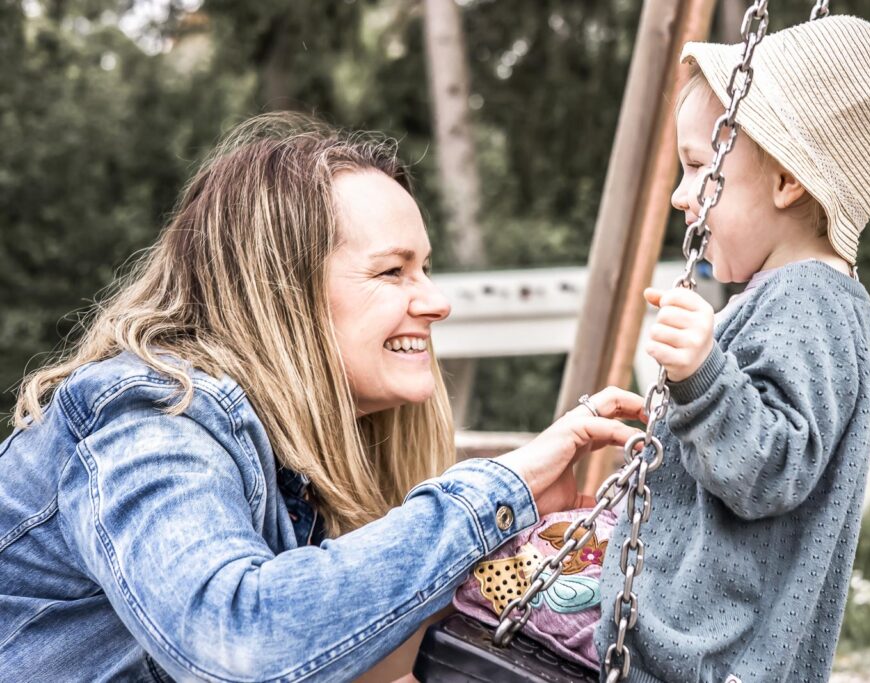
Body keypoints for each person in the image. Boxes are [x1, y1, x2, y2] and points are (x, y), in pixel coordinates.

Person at [0, 113, 647, 682]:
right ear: (281, 291)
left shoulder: (306, 459)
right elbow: (240, 642)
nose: (437, 301)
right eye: (392, 272)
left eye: (425, 268)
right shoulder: (150, 417)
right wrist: (498, 492)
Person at [592, 15, 870, 682]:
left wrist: (702, 377)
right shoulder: (790, 295)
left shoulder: (811, 300)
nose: (680, 196)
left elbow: (771, 466)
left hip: (714, 660)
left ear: (786, 183)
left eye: (700, 167)